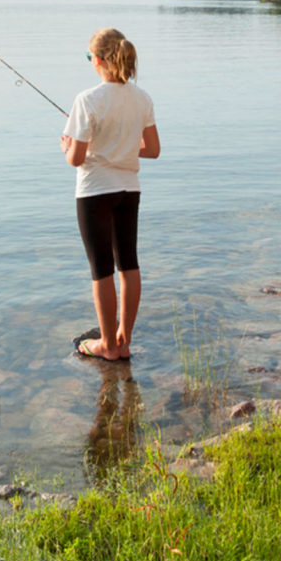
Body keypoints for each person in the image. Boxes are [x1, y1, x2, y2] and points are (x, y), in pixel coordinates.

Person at [60, 28, 160, 361]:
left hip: (94, 191)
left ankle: (107, 345)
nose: (90, 62)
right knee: (128, 264)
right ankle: (124, 340)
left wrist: (67, 147)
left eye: (90, 57)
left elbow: (76, 158)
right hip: (128, 190)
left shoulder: (87, 99)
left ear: (99, 59)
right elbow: (153, 149)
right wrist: (124, 148)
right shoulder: (142, 98)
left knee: (101, 268)